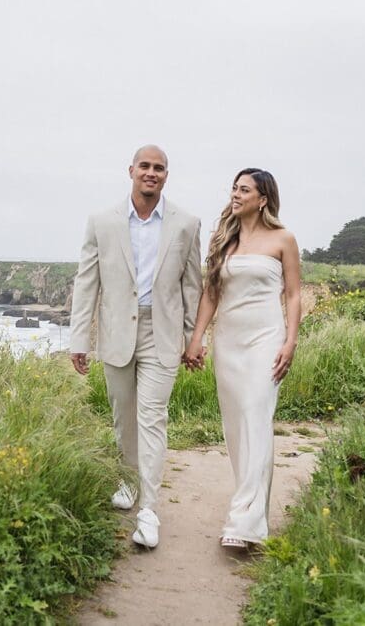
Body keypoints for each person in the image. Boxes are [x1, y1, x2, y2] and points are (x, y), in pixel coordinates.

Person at [70, 144, 203, 549]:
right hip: (115, 333)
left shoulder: (187, 224)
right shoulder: (101, 222)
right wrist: (80, 339)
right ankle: (128, 482)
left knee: (152, 418)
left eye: (159, 168)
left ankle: (149, 510)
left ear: (166, 175)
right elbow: (87, 281)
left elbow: (192, 286)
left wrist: (192, 339)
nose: (151, 172)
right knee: (123, 417)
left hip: (161, 336)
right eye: (144, 166)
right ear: (130, 170)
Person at [184, 168, 301, 549]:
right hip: (229, 342)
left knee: (256, 418)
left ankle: (244, 521)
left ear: (262, 198)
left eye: (244, 189)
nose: (235, 194)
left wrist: (291, 341)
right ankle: (252, 510)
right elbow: (211, 294)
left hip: (267, 339)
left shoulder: (283, 239)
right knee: (236, 427)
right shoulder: (225, 240)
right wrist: (197, 338)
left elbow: (294, 295)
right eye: (234, 188)